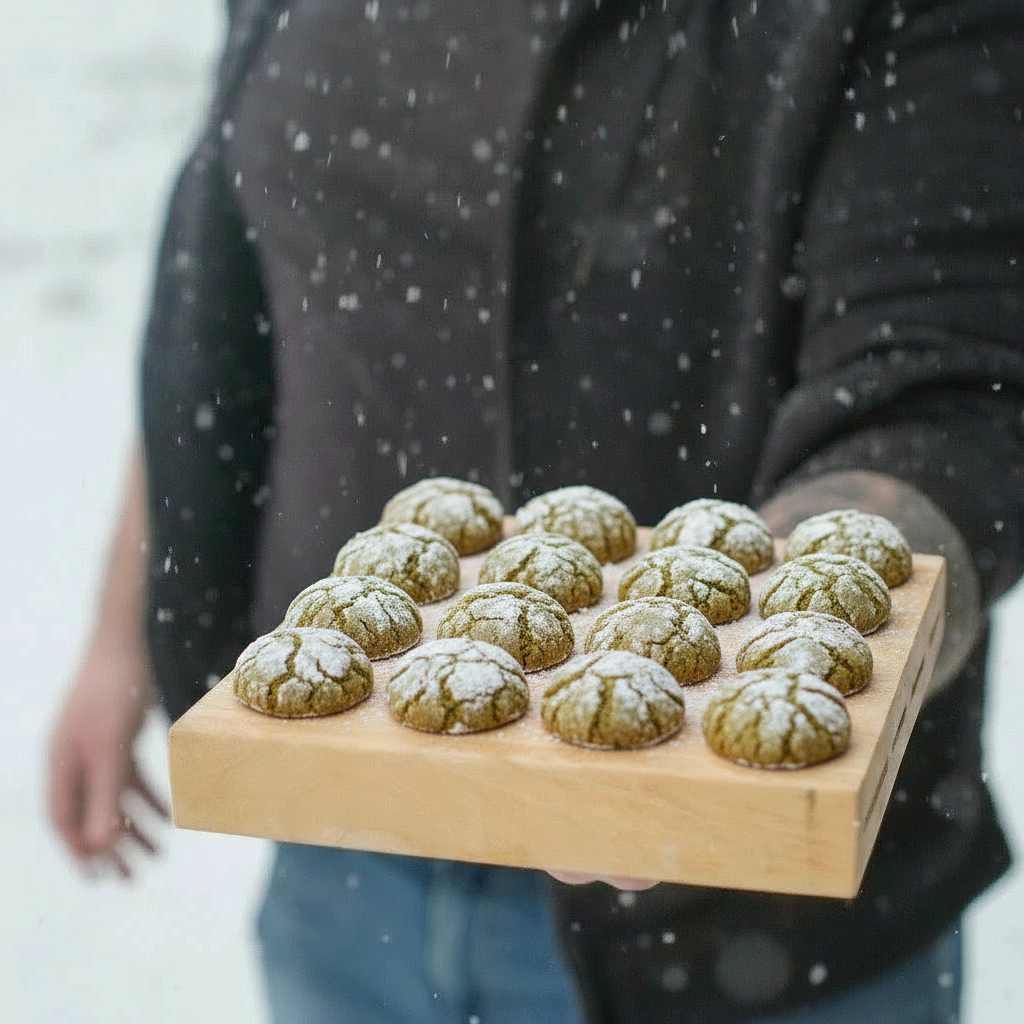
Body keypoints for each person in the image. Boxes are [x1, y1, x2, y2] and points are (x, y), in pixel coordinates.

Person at [49, 0, 1023, 1021]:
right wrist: (120, 629)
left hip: (748, 927)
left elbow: (945, 388)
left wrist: (796, 634)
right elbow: (228, 297)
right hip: (349, 850)